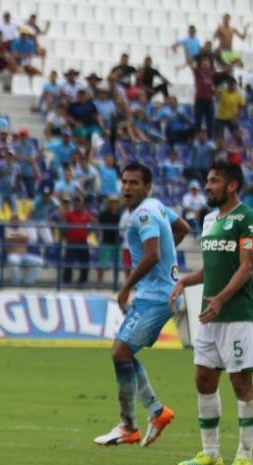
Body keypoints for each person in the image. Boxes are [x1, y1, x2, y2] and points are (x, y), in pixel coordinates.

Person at [169, 161, 253, 465]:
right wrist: (184, 281)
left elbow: (246, 266)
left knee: (240, 383)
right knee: (204, 379)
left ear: (232, 185)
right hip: (211, 314)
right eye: (207, 181)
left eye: (214, 181)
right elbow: (212, 267)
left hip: (237, 315)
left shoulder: (248, 219)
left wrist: (222, 299)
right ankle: (210, 452)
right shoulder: (210, 220)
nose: (207, 186)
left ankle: (244, 455)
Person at [93, 164, 182, 448]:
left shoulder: (143, 213)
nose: (127, 188)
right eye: (124, 182)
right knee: (124, 352)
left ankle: (129, 426)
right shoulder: (157, 206)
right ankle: (156, 412)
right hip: (159, 292)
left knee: (120, 352)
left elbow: (152, 254)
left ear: (148, 187)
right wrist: (169, 257)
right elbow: (182, 227)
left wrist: (126, 286)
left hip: (155, 296)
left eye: (134, 183)